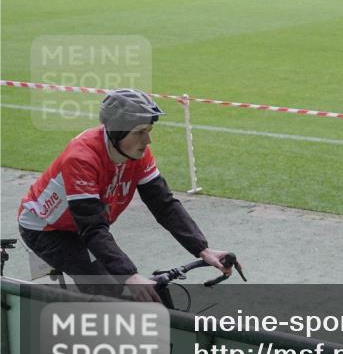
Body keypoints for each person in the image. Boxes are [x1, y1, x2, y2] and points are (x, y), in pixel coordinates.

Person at [17, 88, 233, 301]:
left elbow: (164, 204)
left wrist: (202, 249)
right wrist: (129, 275)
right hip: (46, 230)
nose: (147, 140)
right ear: (117, 133)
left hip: (82, 226)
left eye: (149, 130)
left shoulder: (137, 154)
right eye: (139, 132)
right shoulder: (81, 158)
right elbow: (92, 229)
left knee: (122, 281)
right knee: (110, 288)